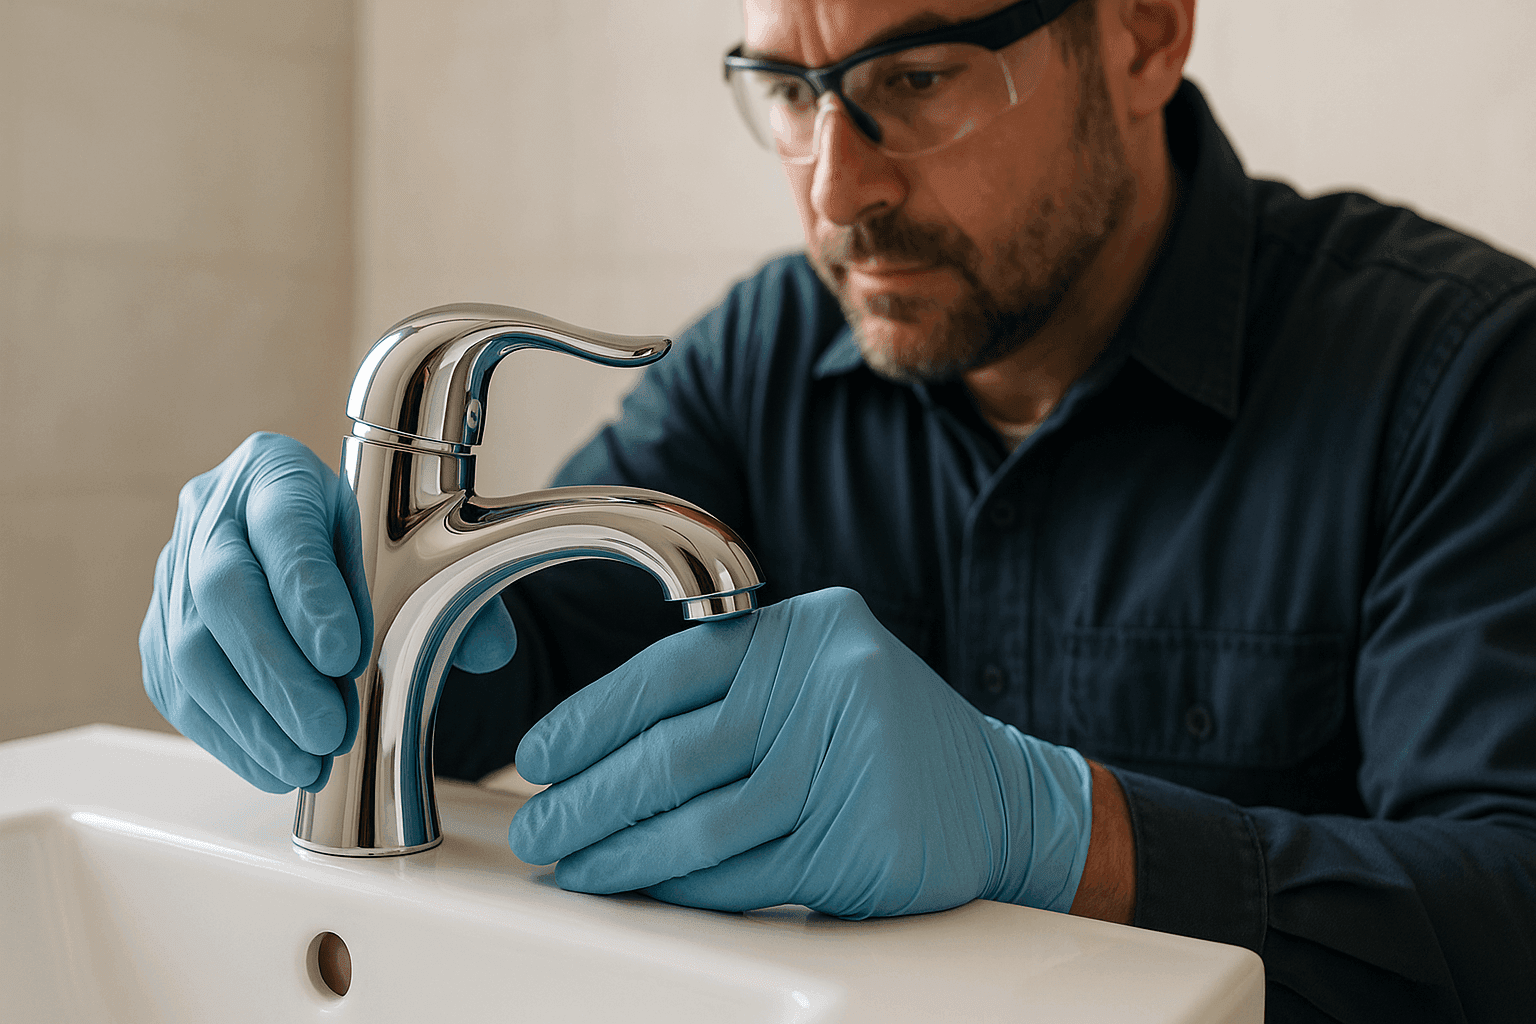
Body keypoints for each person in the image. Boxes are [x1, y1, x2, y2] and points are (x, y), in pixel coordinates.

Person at [140, 0, 1536, 1019]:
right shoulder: (766, 355)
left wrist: (1067, 831)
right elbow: (531, 650)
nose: (835, 186)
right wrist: (326, 622)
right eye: (787, 89)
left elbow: (1512, 912)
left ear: (1142, 34)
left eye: (916, 78)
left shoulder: (1463, 374)